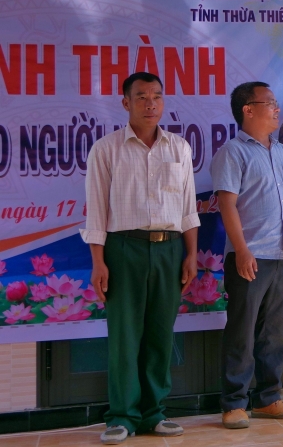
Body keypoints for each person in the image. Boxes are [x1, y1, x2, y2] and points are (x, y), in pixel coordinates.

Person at [82, 72, 199, 445]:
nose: (151, 103)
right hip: (122, 249)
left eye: (157, 97)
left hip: (169, 249)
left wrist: (191, 253)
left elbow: (187, 208)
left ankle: (153, 413)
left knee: (160, 334)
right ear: (126, 103)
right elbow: (96, 213)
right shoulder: (106, 149)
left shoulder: (179, 147)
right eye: (142, 97)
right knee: (124, 336)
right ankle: (121, 416)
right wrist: (99, 262)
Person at [211, 81, 283, 429]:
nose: (277, 109)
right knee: (242, 332)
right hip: (250, 257)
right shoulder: (233, 152)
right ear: (248, 110)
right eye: (269, 103)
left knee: (277, 334)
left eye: (276, 102)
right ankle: (234, 403)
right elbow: (226, 204)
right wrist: (241, 250)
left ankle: (269, 398)